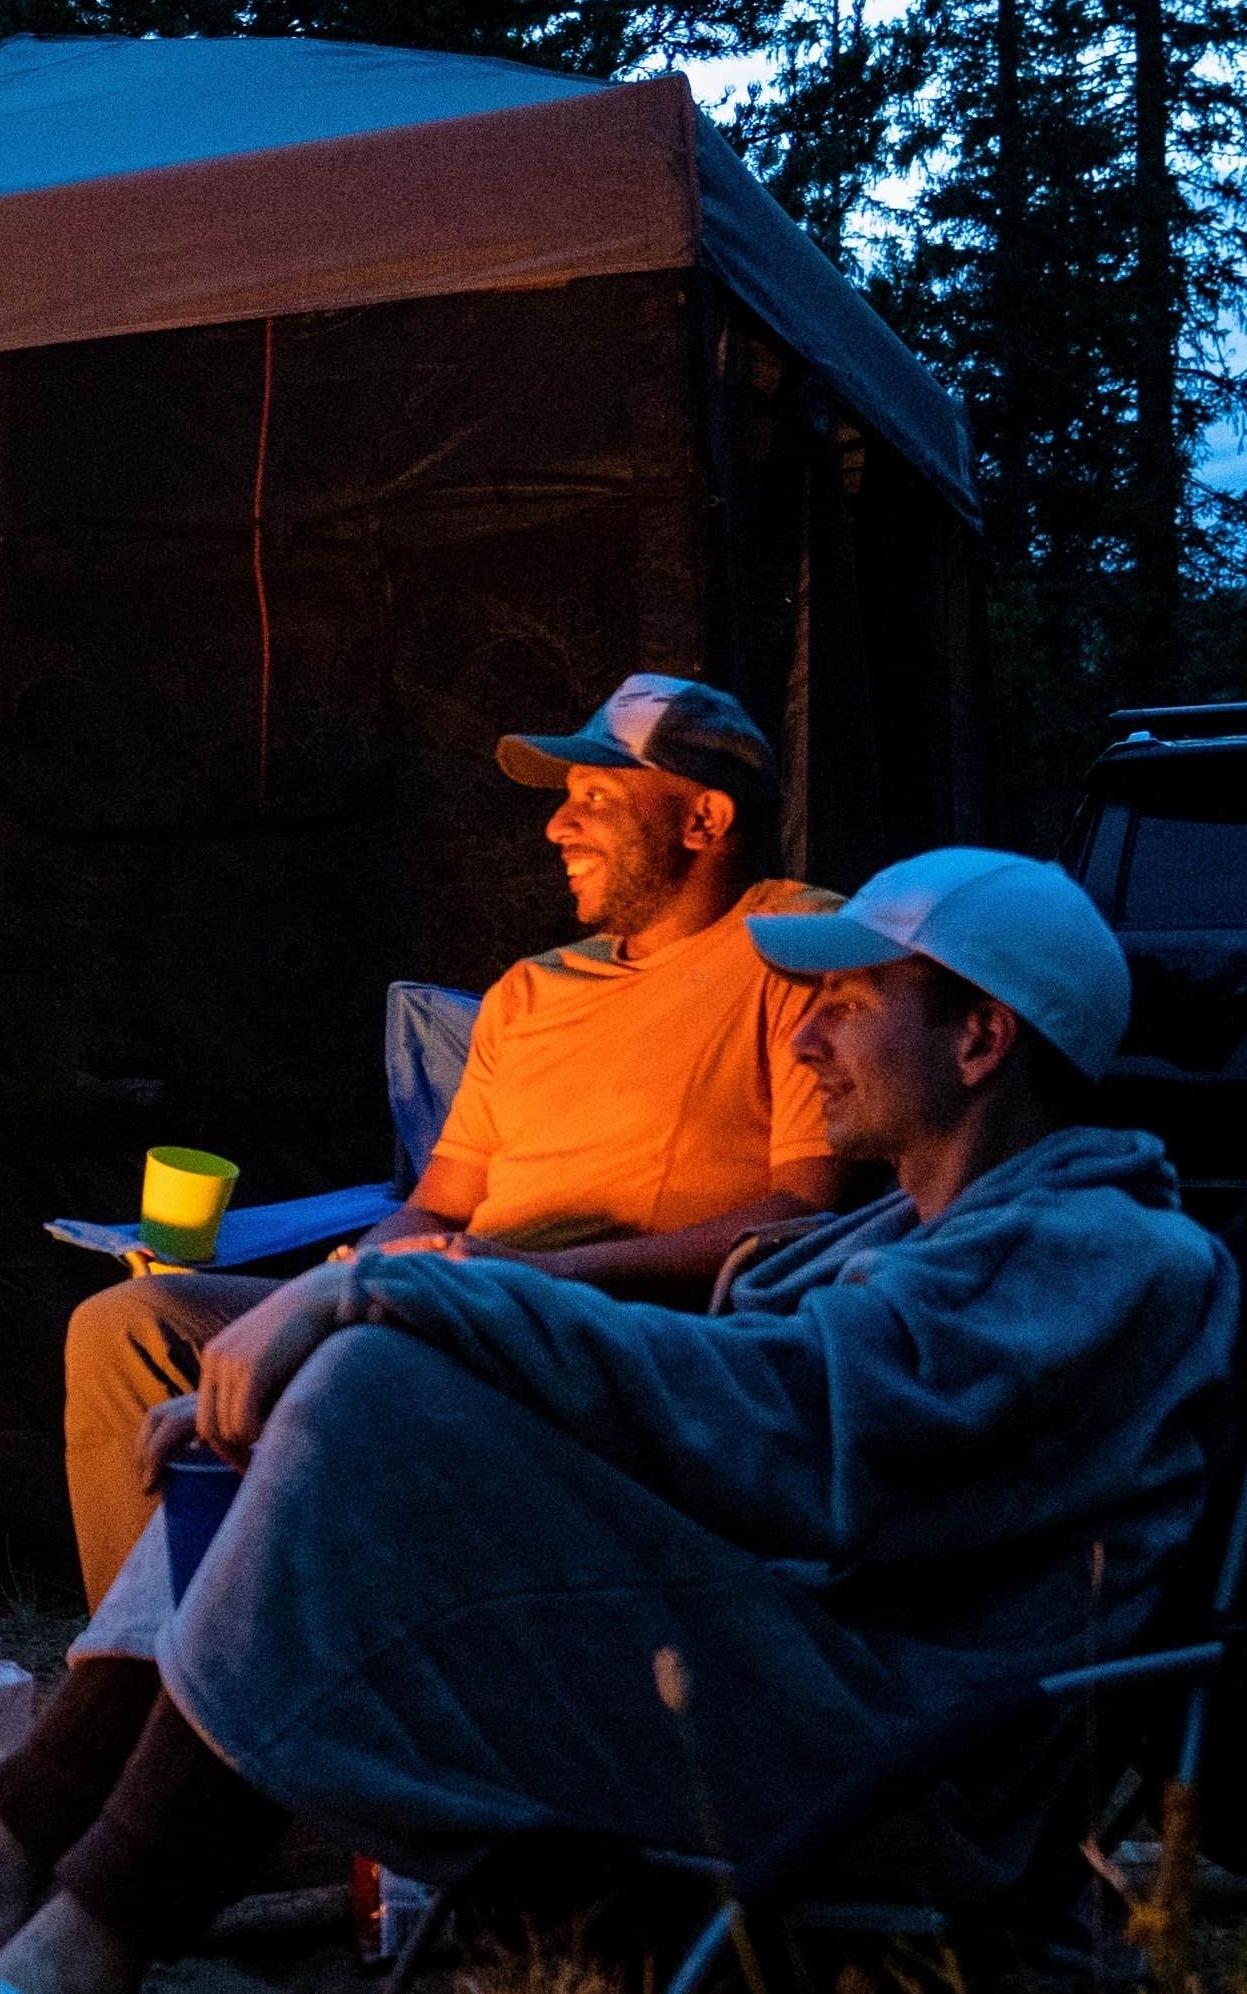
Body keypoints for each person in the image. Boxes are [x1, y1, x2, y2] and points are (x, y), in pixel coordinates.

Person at [0, 850, 1233, 1994]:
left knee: (370, 1385)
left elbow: (799, 1437)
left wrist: (397, 1297)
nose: (808, 1043)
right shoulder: (906, 1240)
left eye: (850, 1002)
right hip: (789, 1669)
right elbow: (740, 1404)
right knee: (320, 1410)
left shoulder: (1103, 1252)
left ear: (981, 1036)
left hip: (896, 1749)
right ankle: (16, 1854)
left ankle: (88, 1939)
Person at [50, 673, 874, 1609]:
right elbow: (437, 1201)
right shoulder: (529, 990)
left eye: (595, 800)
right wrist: (350, 1276)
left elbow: (804, 1215)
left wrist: (514, 1278)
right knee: (128, 1327)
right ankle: (155, 1669)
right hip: (449, 1294)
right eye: (563, 803)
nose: (557, 828)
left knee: (367, 1364)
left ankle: (218, 1685)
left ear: (704, 819)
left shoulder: (796, 947)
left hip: (611, 1331)